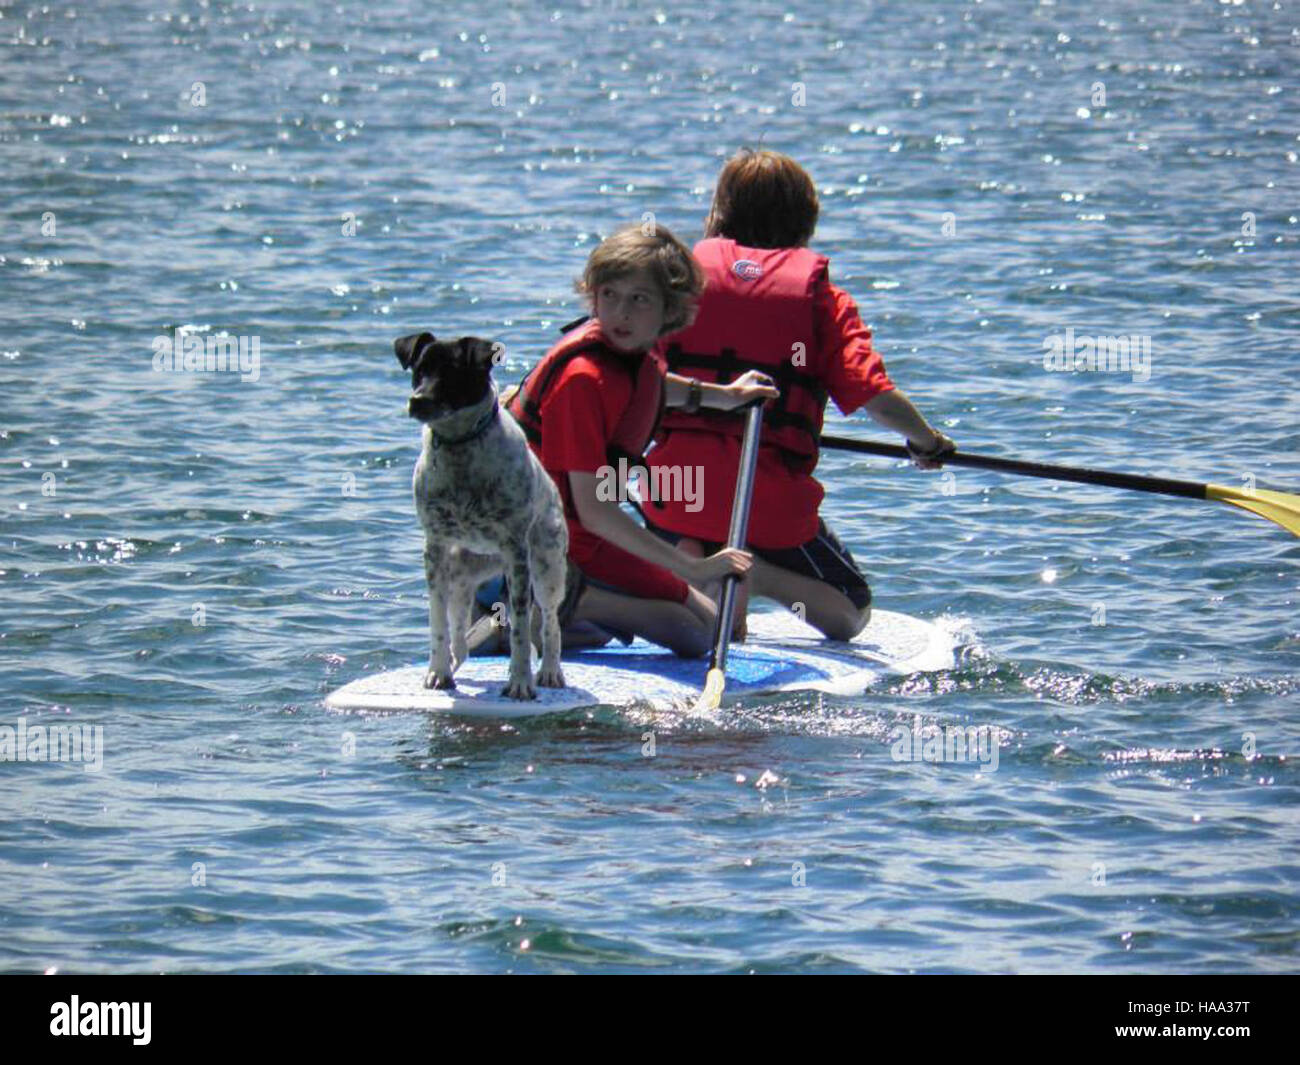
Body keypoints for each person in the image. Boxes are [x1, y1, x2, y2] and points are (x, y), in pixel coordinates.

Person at [643, 149, 955, 641]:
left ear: (718, 214)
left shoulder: (676, 287)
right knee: (851, 614)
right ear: (805, 221)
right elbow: (873, 395)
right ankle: (755, 574)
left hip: (675, 488)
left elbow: (625, 378)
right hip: (769, 503)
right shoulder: (823, 303)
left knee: (663, 501)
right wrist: (927, 440)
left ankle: (691, 559)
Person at [474, 223, 779, 658]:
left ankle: (531, 617)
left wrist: (726, 397)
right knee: (702, 635)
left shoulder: (633, 355)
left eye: (639, 299)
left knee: (716, 626)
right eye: (610, 296)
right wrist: (691, 566)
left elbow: (649, 386)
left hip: (577, 539)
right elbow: (595, 511)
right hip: (545, 543)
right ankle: (564, 601)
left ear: (668, 309)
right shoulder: (581, 381)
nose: (621, 313)